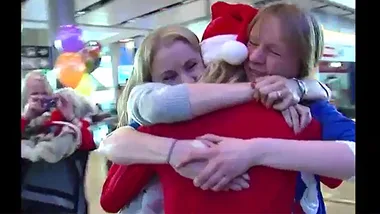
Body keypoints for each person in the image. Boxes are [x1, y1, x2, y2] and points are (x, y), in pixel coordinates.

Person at [99, 2, 349, 214]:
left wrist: (256, 150)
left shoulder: (303, 107)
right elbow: (118, 140)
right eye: (252, 43)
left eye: (274, 51)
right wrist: (175, 151)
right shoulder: (179, 112)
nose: (254, 57)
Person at [21, 71, 97, 214]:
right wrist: (26, 117)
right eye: (35, 94)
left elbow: (88, 143)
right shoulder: (24, 119)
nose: (41, 98)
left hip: (64, 201)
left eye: (44, 93)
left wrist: (71, 116)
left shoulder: (61, 118)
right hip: (29, 200)